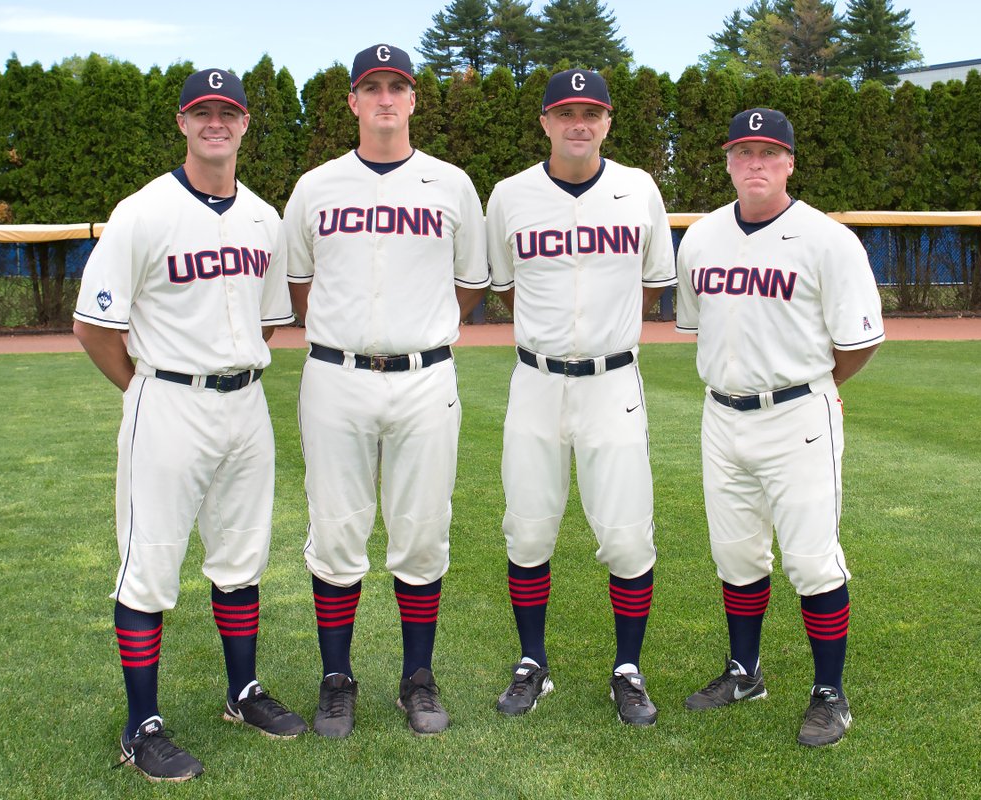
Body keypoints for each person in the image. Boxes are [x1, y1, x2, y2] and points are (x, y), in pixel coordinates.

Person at [73, 69, 304, 782]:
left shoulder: (265, 218)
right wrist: (146, 389)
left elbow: (269, 316)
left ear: (243, 125)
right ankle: (141, 727)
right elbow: (92, 326)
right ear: (181, 122)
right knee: (148, 570)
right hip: (168, 399)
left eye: (227, 112)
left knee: (240, 558)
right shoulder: (142, 212)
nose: (215, 123)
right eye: (202, 112)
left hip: (246, 402)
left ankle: (242, 693)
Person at [281, 44, 488, 738]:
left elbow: (468, 284)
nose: (385, 99)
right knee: (337, 531)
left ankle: (417, 679)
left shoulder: (451, 184)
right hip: (335, 375)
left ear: (413, 100)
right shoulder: (316, 187)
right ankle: (337, 680)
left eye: (396, 86)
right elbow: (301, 284)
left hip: (425, 376)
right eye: (371, 87)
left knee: (423, 533)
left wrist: (416, 331)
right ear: (352, 102)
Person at [674, 108, 885, 747]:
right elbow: (698, 328)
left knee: (811, 559)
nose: (756, 163)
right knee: (737, 552)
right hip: (722, 413)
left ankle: (830, 693)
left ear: (790, 162)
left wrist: (819, 387)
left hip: (799, 414)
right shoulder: (703, 237)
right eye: (744, 152)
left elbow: (858, 343)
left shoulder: (827, 240)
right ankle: (745, 671)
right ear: (729, 162)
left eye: (769, 152)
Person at [484, 68, 677, 726]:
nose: (578, 123)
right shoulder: (510, 196)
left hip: (613, 381)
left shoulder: (638, 189)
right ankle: (532, 663)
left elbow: (652, 282)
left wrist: (603, 334)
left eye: (590, 111)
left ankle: (628, 669)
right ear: (544, 122)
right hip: (535, 380)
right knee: (529, 528)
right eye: (564, 111)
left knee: (627, 537)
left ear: (608, 120)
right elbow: (506, 286)